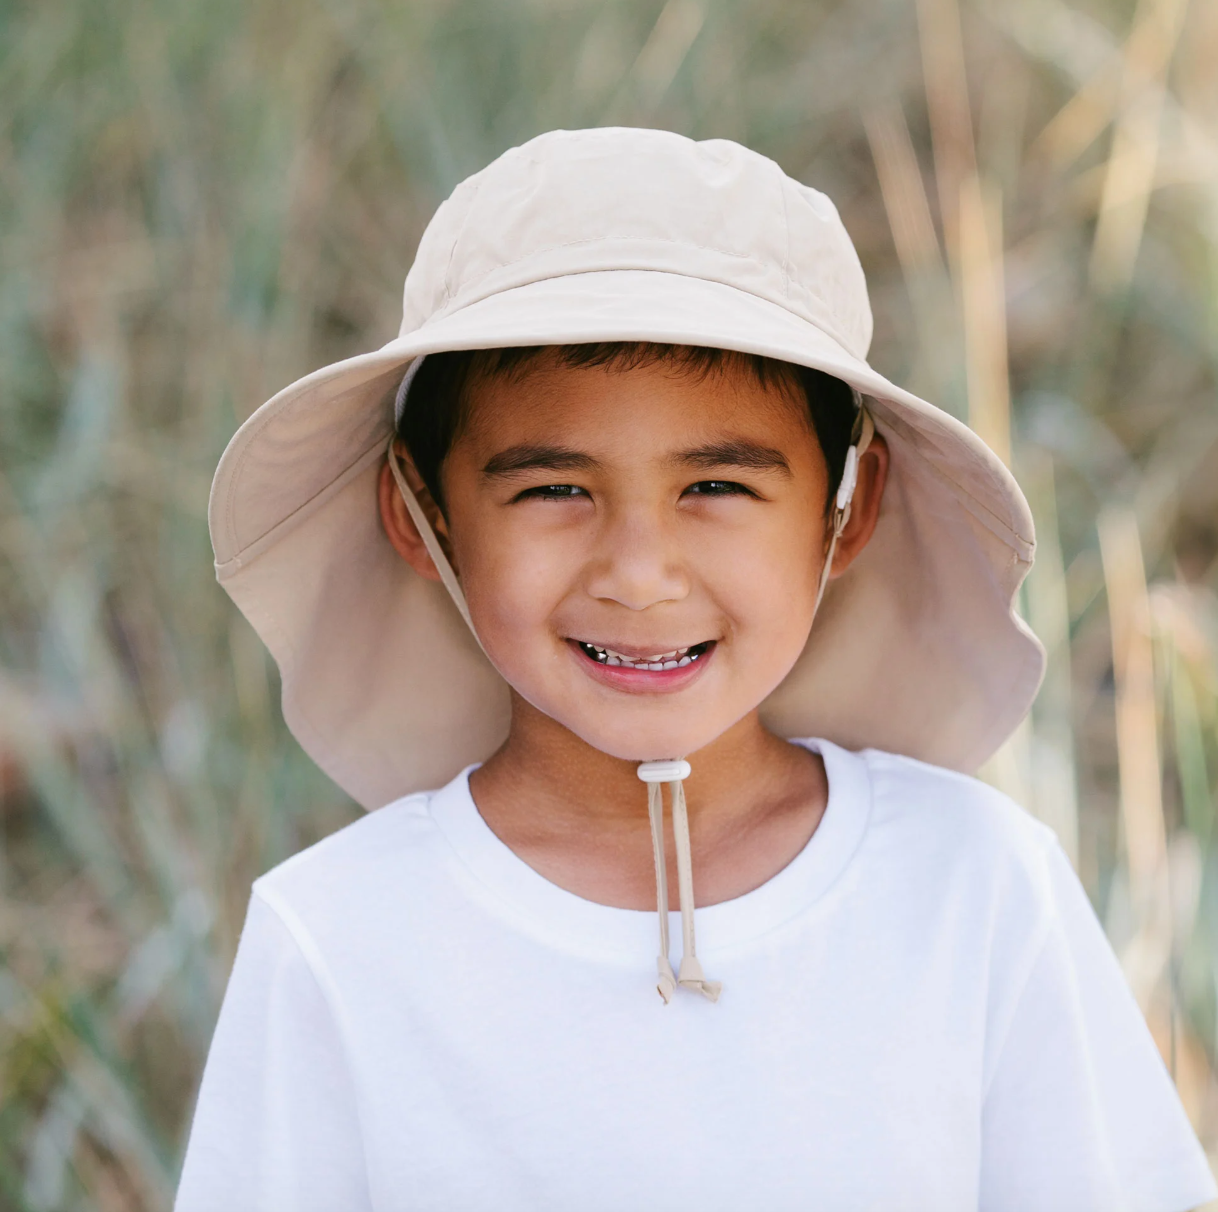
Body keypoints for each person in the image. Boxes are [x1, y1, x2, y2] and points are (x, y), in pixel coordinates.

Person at [176, 127, 1215, 1211]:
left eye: (717, 487)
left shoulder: (979, 888)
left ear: (847, 512)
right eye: (551, 490)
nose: (638, 575)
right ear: (421, 512)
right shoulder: (338, 940)